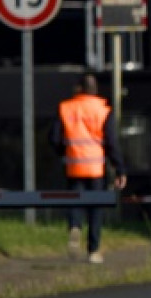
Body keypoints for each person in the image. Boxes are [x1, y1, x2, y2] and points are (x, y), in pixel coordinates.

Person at [49, 74, 126, 263]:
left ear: (79, 88)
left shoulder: (66, 108)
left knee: (74, 201)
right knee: (96, 208)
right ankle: (93, 250)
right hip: (96, 167)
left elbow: (54, 138)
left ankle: (75, 226)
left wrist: (63, 152)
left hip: (73, 165)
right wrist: (120, 169)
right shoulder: (103, 110)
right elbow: (111, 143)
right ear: (95, 89)